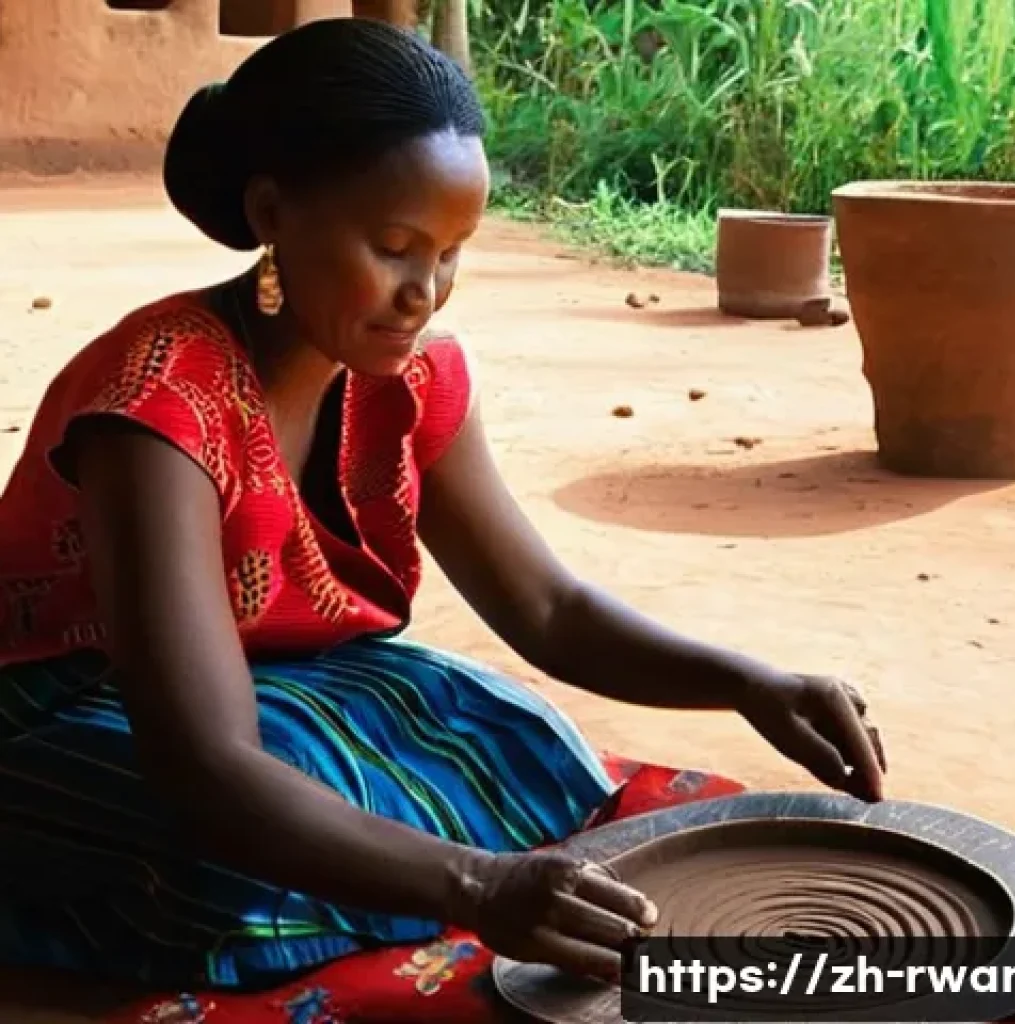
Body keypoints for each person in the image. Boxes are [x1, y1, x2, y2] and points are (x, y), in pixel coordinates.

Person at [0, 18, 885, 993]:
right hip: (70, 708)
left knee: (495, 723)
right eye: (391, 247)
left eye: (452, 252)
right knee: (229, 850)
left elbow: (544, 608)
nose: (424, 292)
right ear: (271, 212)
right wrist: (478, 884)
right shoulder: (158, 410)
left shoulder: (410, 380)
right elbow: (205, 760)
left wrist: (747, 681)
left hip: (278, 685)